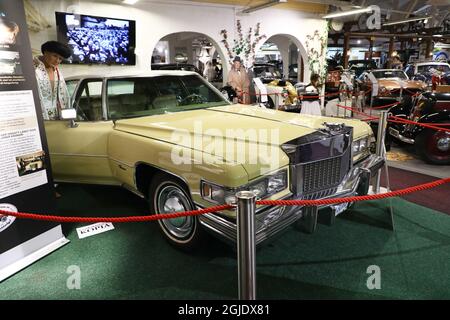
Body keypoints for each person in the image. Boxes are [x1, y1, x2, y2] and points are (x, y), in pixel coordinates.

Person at [33, 41, 72, 120]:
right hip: (37, 117)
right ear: (45, 52)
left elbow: (64, 96)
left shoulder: (57, 72)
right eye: (55, 56)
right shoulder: (32, 69)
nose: (57, 61)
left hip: (57, 118)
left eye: (60, 59)